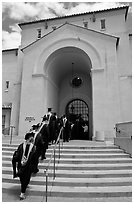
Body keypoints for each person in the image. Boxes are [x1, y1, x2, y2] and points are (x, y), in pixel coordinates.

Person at [12, 132, 36, 200]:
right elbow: (18, 155)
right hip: (21, 165)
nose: (31, 141)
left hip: (28, 166)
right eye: (29, 139)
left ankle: (22, 193)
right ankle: (24, 187)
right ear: (26, 139)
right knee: (22, 179)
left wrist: (33, 166)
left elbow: (34, 158)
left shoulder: (33, 147)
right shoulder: (21, 146)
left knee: (26, 179)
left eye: (31, 140)